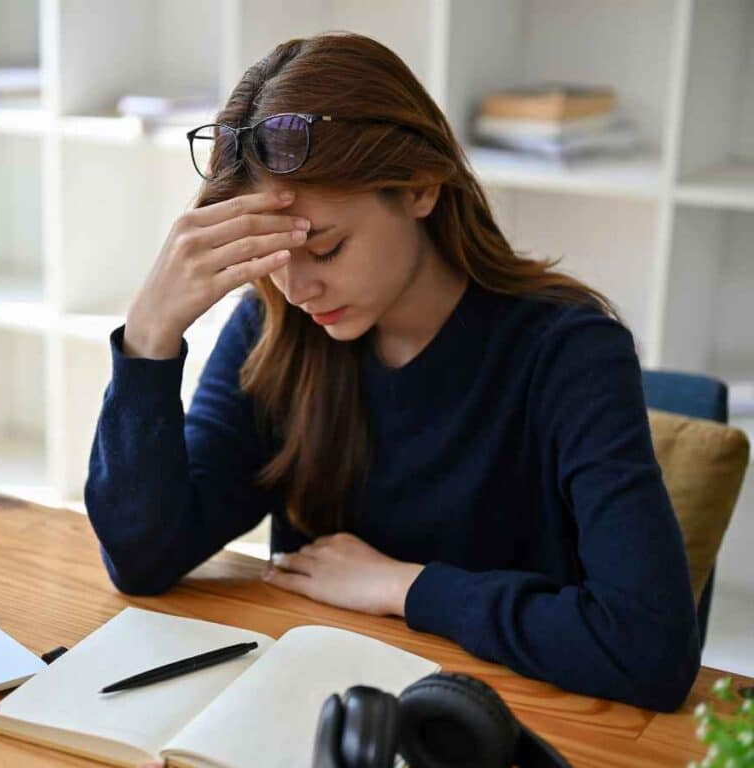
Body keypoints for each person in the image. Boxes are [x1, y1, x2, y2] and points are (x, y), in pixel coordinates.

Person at [85, 31, 700, 730]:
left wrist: (404, 587)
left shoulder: (569, 355)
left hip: (506, 726)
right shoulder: (276, 329)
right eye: (273, 259)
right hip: (316, 714)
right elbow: (142, 558)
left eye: (324, 247)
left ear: (419, 189)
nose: (298, 286)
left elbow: (650, 649)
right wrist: (149, 339)